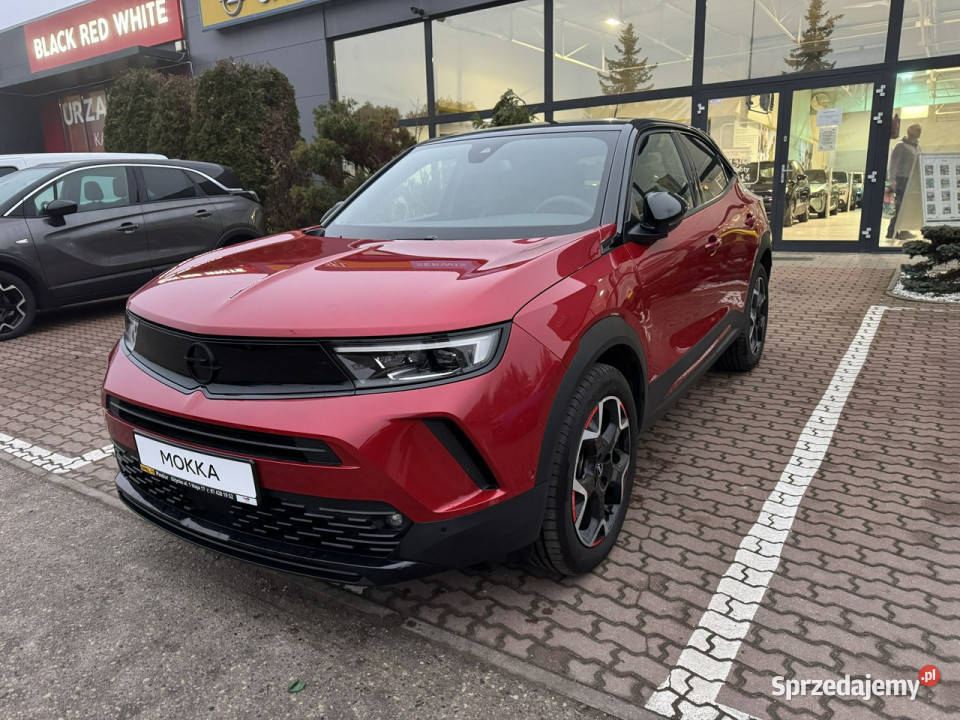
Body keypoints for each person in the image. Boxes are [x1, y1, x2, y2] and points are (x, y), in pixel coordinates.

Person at [886, 123, 922, 240]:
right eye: (917, 130)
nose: (920, 132)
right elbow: (893, 165)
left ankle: (904, 230)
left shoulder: (918, 147)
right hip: (901, 179)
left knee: (907, 206)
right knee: (900, 206)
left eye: (920, 130)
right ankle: (892, 231)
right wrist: (892, 181)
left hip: (913, 180)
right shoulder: (900, 146)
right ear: (910, 132)